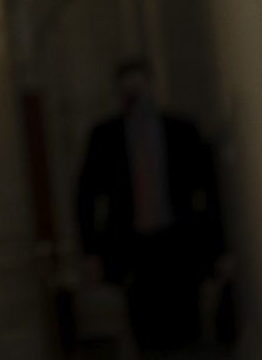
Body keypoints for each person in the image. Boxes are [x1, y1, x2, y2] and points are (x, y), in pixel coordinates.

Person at [77, 57, 223, 355]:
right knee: (147, 331)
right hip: (133, 248)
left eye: (139, 82)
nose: (135, 90)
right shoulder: (106, 135)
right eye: (128, 84)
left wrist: (219, 248)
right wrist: (90, 250)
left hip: (179, 241)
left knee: (188, 329)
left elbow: (209, 192)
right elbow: (86, 195)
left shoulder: (180, 130)